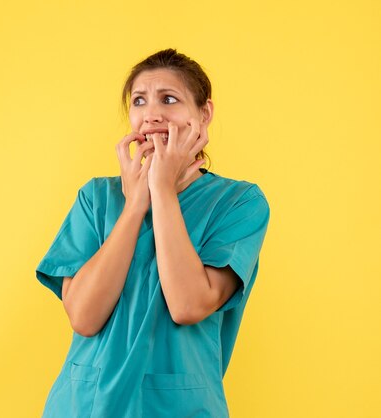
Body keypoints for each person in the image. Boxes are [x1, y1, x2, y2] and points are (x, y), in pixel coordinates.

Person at [35, 48, 270, 418]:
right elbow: (83, 316)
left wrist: (161, 190)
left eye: (169, 99)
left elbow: (188, 305)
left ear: (204, 114)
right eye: (139, 101)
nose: (152, 114)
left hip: (178, 408)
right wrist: (134, 207)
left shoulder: (239, 203)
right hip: (84, 406)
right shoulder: (96, 198)